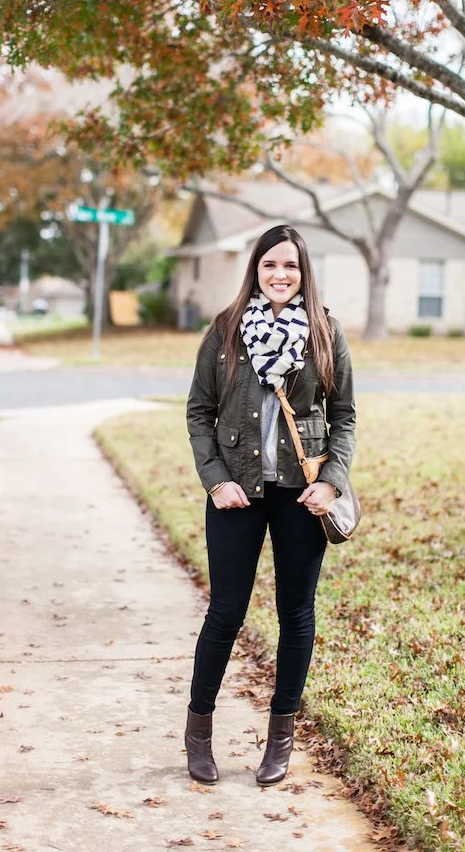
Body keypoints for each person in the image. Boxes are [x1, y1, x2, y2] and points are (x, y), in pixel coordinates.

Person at [184, 224, 356, 786]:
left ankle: (280, 739)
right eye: (269, 265)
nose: (280, 275)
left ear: (304, 273)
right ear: (255, 270)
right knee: (227, 611)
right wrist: (215, 481)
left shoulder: (326, 332)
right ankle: (199, 732)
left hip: (301, 495)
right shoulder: (226, 330)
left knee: (296, 614)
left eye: (291, 267)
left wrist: (331, 480)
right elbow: (199, 412)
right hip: (235, 492)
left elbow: (344, 416)